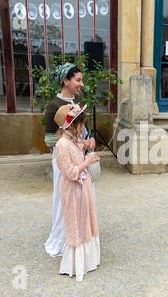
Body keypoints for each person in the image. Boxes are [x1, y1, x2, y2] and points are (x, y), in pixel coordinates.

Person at [43, 63, 95, 257]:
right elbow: (49, 139)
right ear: (66, 80)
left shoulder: (77, 104)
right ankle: (61, 239)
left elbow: (85, 131)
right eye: (78, 80)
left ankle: (79, 236)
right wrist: (72, 141)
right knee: (63, 198)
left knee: (82, 198)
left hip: (81, 159)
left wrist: (89, 140)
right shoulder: (54, 106)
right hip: (64, 161)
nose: (81, 84)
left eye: (81, 80)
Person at [53, 104, 101, 281]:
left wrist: (88, 149)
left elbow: (81, 153)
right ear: (71, 125)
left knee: (86, 219)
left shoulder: (75, 141)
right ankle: (76, 264)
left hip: (84, 187)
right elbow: (70, 172)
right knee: (75, 222)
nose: (83, 128)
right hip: (73, 190)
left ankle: (89, 261)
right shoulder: (62, 145)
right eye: (81, 124)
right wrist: (87, 162)